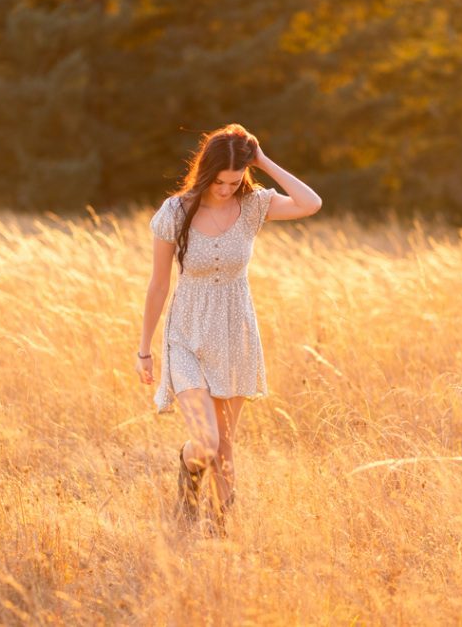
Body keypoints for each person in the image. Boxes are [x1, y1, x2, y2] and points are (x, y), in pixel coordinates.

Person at [135, 123, 322, 533]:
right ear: (206, 172)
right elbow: (158, 284)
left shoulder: (254, 205)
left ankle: (220, 531)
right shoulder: (176, 212)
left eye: (234, 180)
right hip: (186, 334)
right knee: (205, 444)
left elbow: (311, 203)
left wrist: (262, 159)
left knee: (225, 445)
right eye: (219, 181)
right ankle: (188, 476)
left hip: (235, 333)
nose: (225, 189)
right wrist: (144, 349)